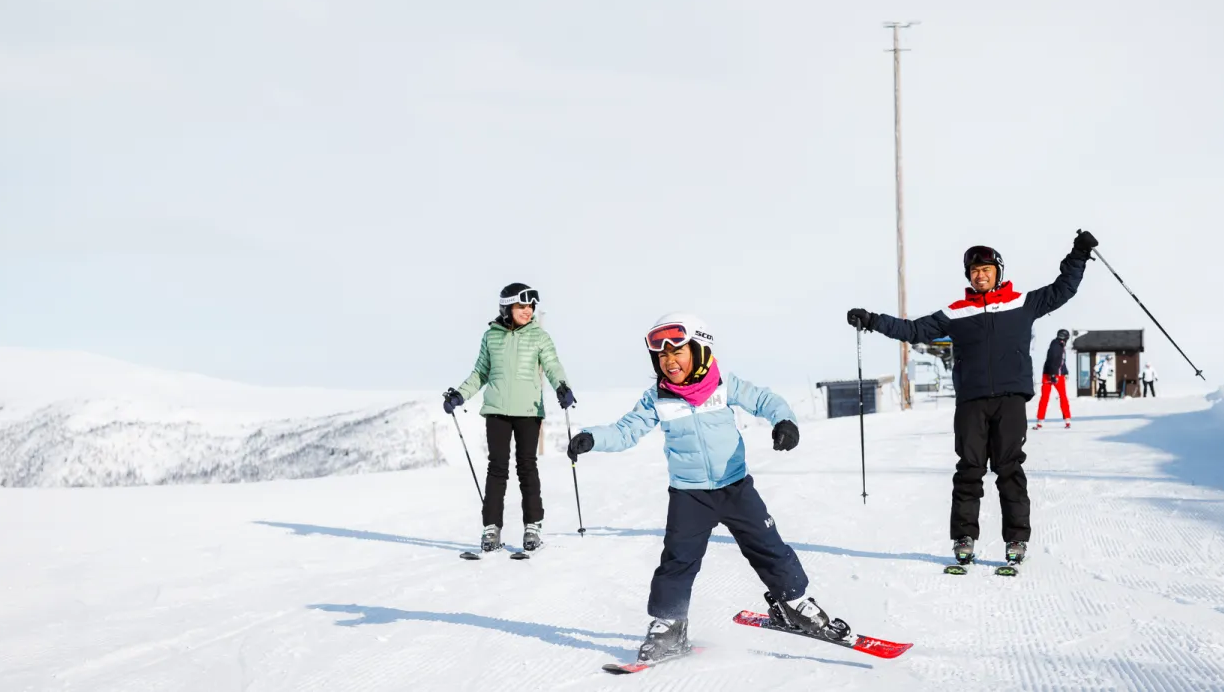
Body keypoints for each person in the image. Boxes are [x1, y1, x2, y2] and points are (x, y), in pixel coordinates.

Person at [566, 313, 839, 664]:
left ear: (699, 350)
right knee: (677, 561)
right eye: (662, 356)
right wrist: (592, 437)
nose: (669, 361)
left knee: (768, 546)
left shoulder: (724, 384)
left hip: (735, 487)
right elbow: (626, 430)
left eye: (677, 352)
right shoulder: (657, 398)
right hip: (688, 495)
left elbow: (766, 401)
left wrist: (784, 421)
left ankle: (793, 601)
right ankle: (669, 625)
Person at [846, 231, 1097, 568]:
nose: (980, 276)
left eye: (986, 270)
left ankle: (1016, 540)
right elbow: (913, 330)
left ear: (998, 272)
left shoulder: (1022, 303)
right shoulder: (956, 313)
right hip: (971, 402)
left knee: (1009, 468)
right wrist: (872, 320)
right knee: (969, 469)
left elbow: (1062, 289)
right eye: (975, 271)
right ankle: (964, 538)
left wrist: (1079, 253)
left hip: (1010, 399)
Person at [443, 283, 575, 554]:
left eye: (531, 307)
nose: (528, 311)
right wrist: (460, 395)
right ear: (507, 308)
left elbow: (552, 366)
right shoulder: (491, 336)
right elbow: (480, 372)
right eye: (521, 306)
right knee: (497, 469)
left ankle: (532, 526)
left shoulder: (539, 336)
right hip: (497, 411)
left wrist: (562, 387)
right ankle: (491, 528)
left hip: (528, 411)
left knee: (527, 467)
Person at [1036, 329, 1072, 429]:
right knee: (1048, 397)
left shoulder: (1060, 345)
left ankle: (1067, 419)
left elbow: (1061, 361)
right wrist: (1052, 374)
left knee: (1059, 396)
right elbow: (1052, 359)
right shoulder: (1056, 346)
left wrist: (1065, 371)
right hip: (1052, 375)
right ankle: (1040, 420)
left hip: (1057, 374)